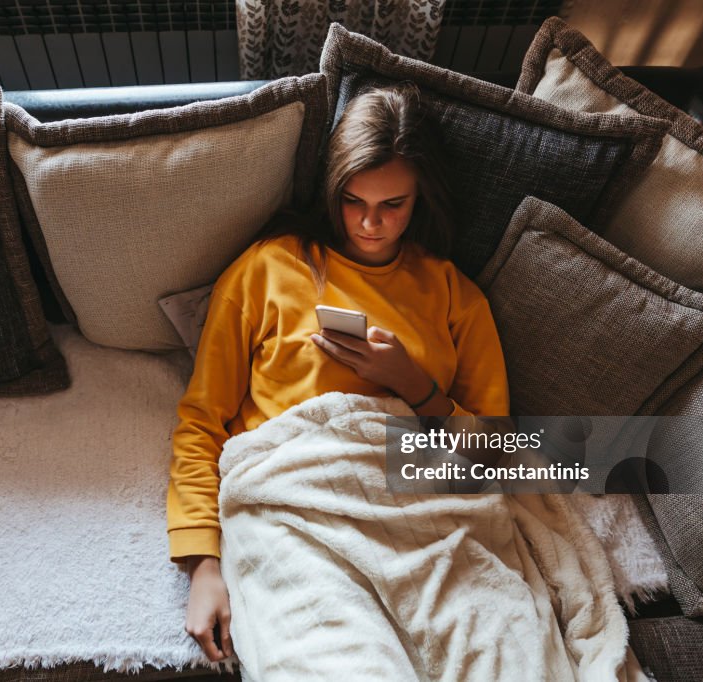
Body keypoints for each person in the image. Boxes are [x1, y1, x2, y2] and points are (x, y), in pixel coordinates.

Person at [166, 83, 511, 663]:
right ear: (333, 190)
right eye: (354, 201)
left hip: (419, 506)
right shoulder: (267, 269)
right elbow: (201, 421)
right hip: (294, 504)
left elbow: (497, 453)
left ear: (421, 198)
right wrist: (204, 563)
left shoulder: (455, 296)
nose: (370, 224)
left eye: (392, 205)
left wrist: (414, 384)